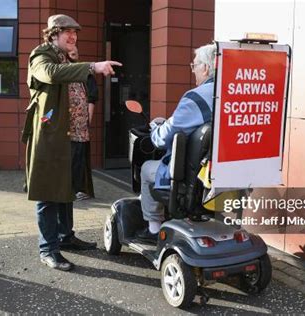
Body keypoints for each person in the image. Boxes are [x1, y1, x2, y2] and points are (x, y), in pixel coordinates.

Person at [23, 14, 121, 271]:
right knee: (48, 193)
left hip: (75, 135)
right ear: (53, 33)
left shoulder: (67, 57)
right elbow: (51, 75)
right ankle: (48, 249)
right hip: (52, 137)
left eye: (75, 32)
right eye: (67, 31)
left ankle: (66, 238)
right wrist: (92, 66)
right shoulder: (41, 55)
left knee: (67, 190)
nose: (73, 36)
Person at [136, 43, 216, 242]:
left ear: (205, 68)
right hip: (223, 174)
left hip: (193, 178)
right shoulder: (236, 93)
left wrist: (155, 130)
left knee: (147, 168)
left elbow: (167, 135)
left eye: (195, 65)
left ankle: (153, 228)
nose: (194, 70)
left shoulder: (197, 97)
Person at [66, 46, 98, 201]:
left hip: (79, 125)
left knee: (78, 156)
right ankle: (66, 188)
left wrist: (88, 120)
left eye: (75, 53)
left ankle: (79, 189)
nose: (73, 56)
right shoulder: (61, 72)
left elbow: (92, 98)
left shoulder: (86, 73)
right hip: (63, 125)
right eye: (70, 54)